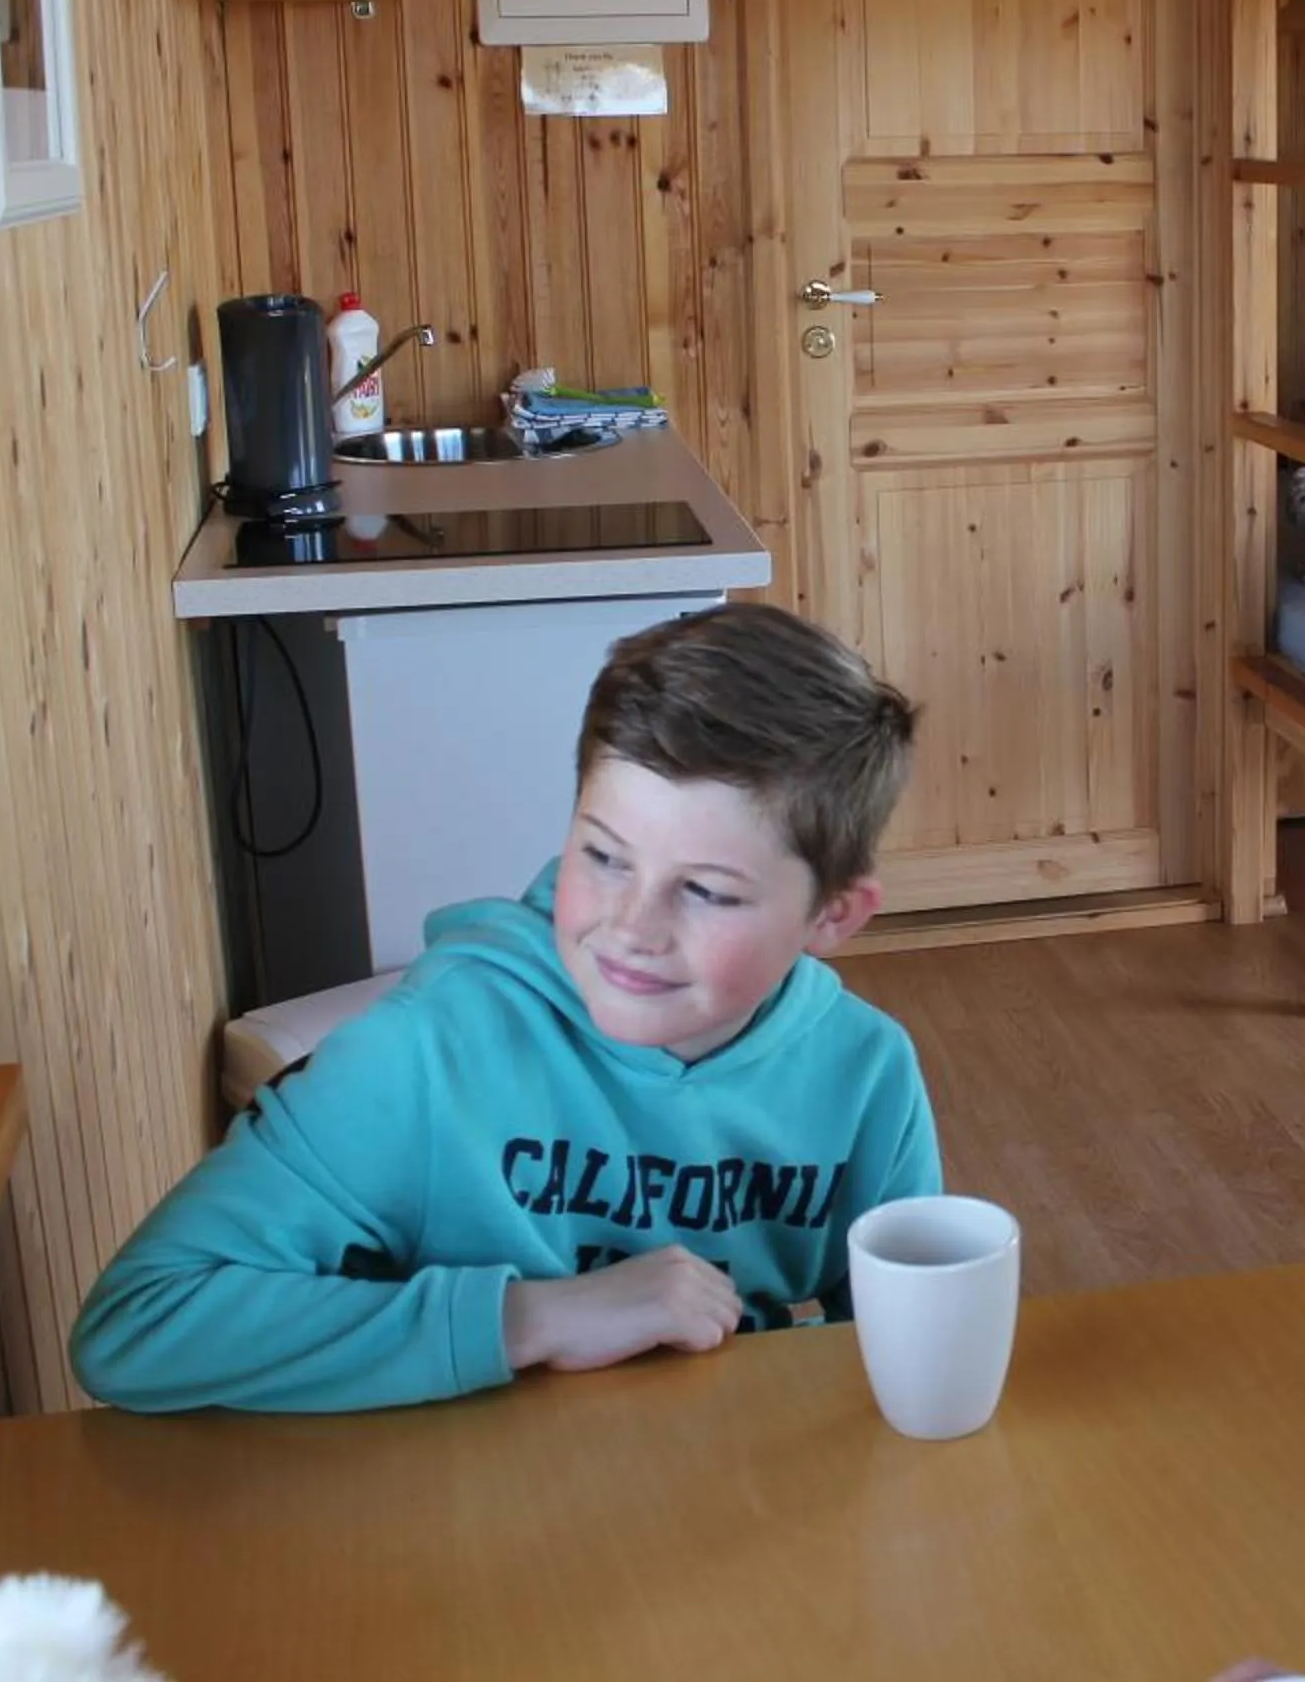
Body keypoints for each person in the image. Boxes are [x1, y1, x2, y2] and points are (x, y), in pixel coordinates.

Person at [72, 602, 940, 1414]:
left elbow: (904, 1352)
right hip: (464, 1531)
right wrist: (529, 1321)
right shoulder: (424, 1051)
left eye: (707, 892)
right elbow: (138, 1324)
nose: (629, 928)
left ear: (833, 915)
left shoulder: (867, 1075)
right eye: (602, 856)